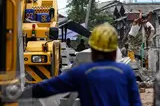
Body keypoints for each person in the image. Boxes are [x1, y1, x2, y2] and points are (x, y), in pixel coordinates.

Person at [4, 22, 142, 106]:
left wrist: (15, 94)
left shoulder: (82, 73)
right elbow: (135, 103)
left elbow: (48, 87)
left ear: (92, 50)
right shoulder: (126, 72)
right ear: (114, 50)